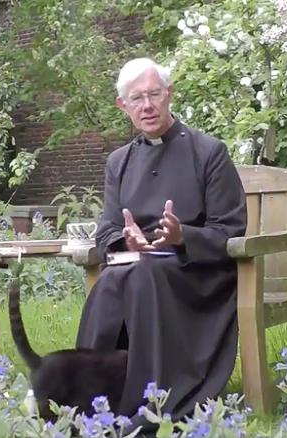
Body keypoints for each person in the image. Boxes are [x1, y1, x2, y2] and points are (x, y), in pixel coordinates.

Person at [75, 57, 248, 433]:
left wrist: (183, 236)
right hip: (140, 267)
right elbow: (106, 230)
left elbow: (230, 230)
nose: (147, 105)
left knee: (141, 275)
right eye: (136, 98)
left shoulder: (209, 152)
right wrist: (127, 240)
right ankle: (89, 401)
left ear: (169, 94)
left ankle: (148, 403)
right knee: (109, 282)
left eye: (154, 94)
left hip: (197, 276)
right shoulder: (118, 162)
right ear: (123, 106)